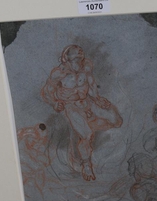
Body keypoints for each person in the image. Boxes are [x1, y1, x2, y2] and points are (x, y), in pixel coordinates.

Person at [41, 45, 122, 181]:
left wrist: (98, 99)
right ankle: (86, 164)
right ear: (67, 59)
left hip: (86, 103)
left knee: (116, 120)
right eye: (76, 59)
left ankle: (89, 131)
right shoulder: (59, 73)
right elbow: (47, 91)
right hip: (70, 106)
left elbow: (91, 86)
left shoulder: (86, 69)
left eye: (80, 58)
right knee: (86, 134)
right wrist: (55, 103)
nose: (79, 61)